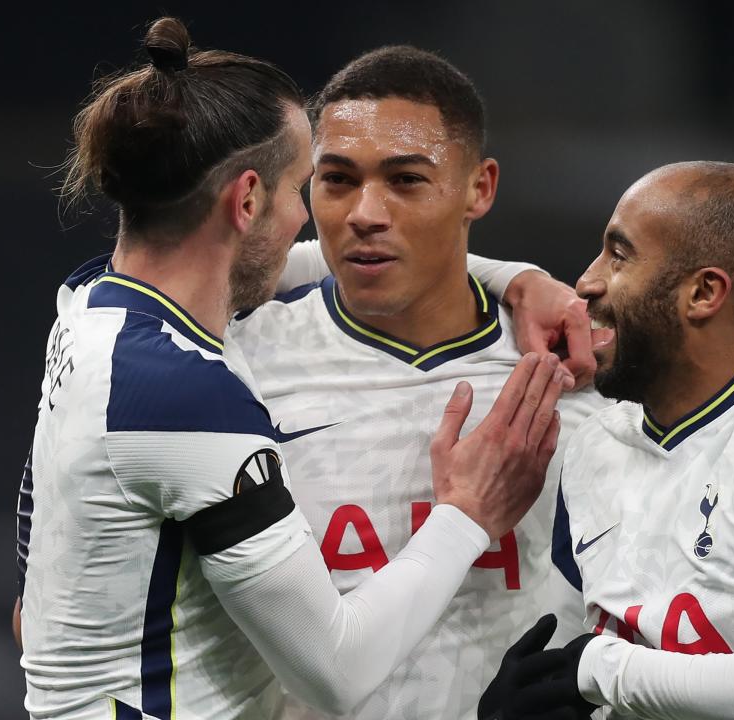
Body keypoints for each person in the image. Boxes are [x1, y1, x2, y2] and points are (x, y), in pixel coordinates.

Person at [15, 18, 572, 720]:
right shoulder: (190, 393)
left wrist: (512, 278)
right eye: (314, 185)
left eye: (404, 180)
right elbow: (336, 673)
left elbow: (267, 266)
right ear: (247, 201)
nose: (329, 220)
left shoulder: (92, 310)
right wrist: (467, 513)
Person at [230, 46, 611, 719]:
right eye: (338, 180)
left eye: (406, 181)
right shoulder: (235, 361)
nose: (365, 213)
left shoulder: (579, 368)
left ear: (480, 188)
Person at [480, 161, 734, 720]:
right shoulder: (595, 441)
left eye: (619, 254)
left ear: (703, 293)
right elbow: (566, 652)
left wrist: (602, 671)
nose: (586, 281)